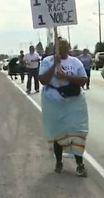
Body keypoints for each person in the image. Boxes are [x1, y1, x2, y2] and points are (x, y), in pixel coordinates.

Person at [38, 38, 89, 177]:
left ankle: (80, 164)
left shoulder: (75, 62)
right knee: (58, 133)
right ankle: (59, 161)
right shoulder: (47, 61)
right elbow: (42, 80)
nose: (63, 49)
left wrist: (66, 76)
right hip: (54, 102)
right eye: (60, 47)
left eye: (65, 46)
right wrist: (54, 65)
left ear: (69, 48)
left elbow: (84, 80)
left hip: (74, 102)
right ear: (56, 48)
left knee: (77, 132)